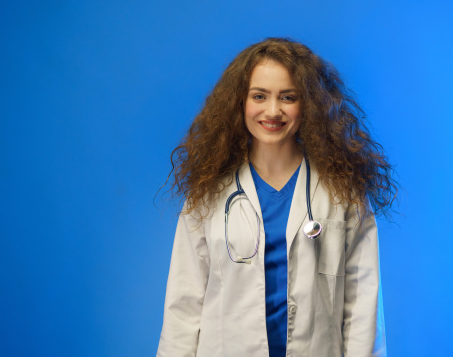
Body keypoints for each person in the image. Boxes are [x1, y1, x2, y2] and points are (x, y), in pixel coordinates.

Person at [157, 38, 397, 357]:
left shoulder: (344, 194)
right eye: (260, 96)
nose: (273, 111)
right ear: (240, 102)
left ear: (307, 103)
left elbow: (362, 302)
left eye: (288, 97)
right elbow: (183, 305)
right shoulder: (208, 193)